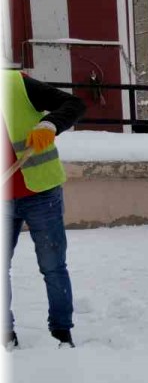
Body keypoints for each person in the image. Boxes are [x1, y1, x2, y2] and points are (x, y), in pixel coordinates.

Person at [3, 67, 87, 349]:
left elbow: (74, 104)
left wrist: (50, 125)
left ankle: (61, 333)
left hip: (41, 194)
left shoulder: (17, 85)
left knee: (53, 267)